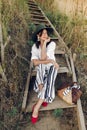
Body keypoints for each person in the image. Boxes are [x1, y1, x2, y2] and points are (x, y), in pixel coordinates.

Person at [31, 24, 59, 124]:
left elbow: (43, 58)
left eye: (46, 33)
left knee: (49, 76)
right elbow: (36, 62)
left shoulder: (52, 44)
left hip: (52, 67)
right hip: (42, 69)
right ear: (38, 35)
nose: (45, 35)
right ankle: (44, 96)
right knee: (40, 67)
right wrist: (49, 61)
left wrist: (45, 43)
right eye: (42, 33)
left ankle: (36, 107)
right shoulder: (35, 46)